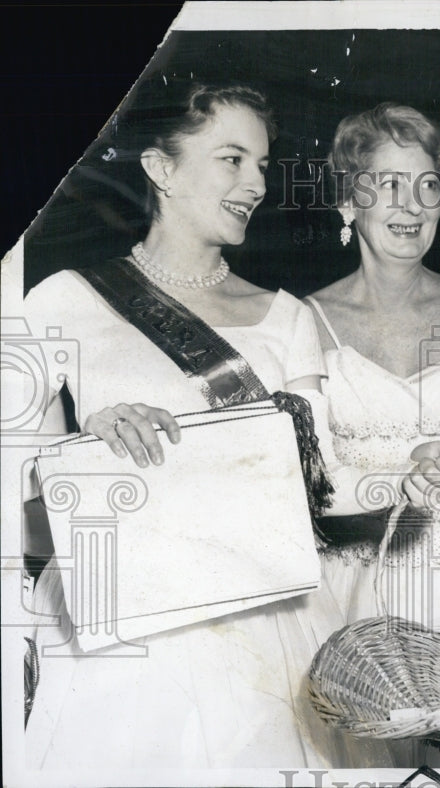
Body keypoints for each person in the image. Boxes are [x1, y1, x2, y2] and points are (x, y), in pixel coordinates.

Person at [14, 80, 386, 768]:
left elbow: (322, 497)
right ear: (160, 168)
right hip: (132, 639)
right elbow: (19, 521)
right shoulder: (64, 301)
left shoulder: (289, 318)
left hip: (269, 631)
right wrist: (85, 451)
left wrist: (410, 472)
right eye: (232, 159)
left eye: (264, 165)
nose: (255, 183)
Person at [305, 103, 440, 642]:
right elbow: (305, 487)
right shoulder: (305, 324)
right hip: (358, 599)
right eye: (389, 184)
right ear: (347, 201)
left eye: (427, 186)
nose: (412, 205)